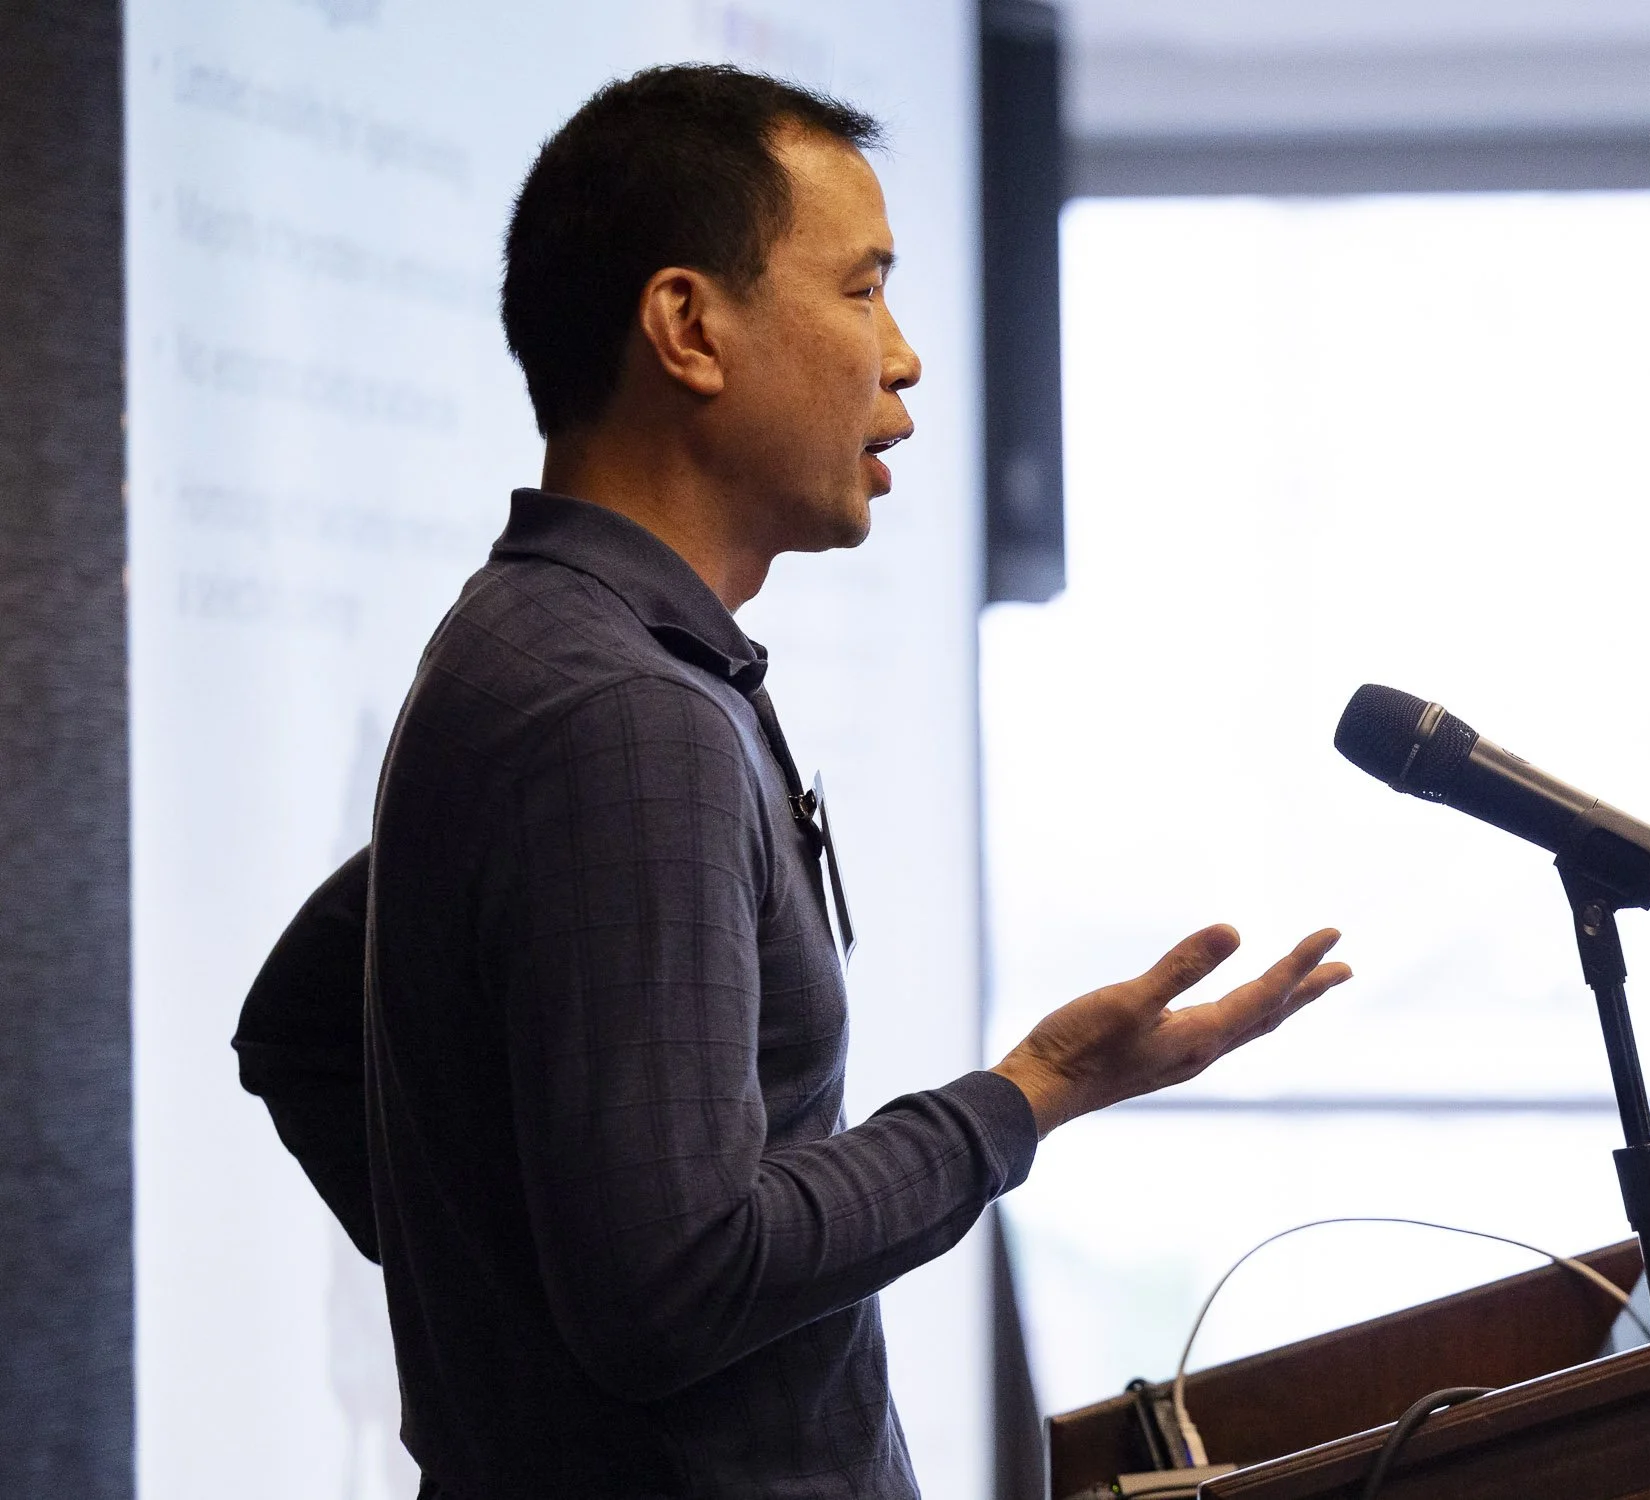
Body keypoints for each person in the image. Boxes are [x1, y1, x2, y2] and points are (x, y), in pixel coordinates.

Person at [232, 64, 1350, 1500]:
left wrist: (511, 1305)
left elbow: (301, 1024)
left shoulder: (548, 646)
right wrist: (1036, 1091)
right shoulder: (622, 714)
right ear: (690, 329)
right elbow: (680, 1281)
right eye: (861, 289)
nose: (904, 357)